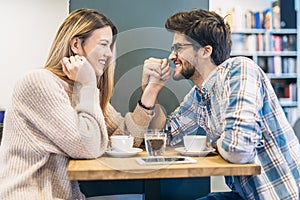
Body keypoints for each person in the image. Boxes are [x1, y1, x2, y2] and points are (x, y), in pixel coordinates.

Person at [0, 8, 170, 199]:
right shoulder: (39, 82)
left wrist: (150, 92)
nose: (109, 54)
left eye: (110, 46)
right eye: (103, 44)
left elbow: (128, 139)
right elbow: (88, 147)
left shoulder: (81, 91)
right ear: (76, 44)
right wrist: (88, 84)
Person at [143, 8, 300, 199]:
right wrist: (151, 90)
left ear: (205, 51)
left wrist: (214, 144)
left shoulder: (239, 70)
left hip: (276, 195)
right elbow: (163, 138)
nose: (171, 56)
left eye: (179, 48)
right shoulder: (199, 95)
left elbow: (238, 150)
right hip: (244, 195)